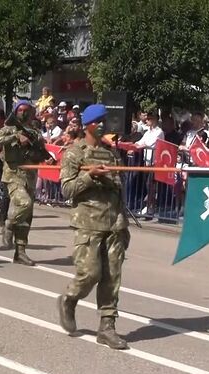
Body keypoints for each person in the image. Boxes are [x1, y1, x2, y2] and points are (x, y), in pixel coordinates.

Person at [58, 104, 130, 350]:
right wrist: (90, 176)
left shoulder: (110, 153)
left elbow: (119, 185)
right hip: (88, 222)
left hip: (114, 222)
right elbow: (67, 189)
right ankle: (70, 299)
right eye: (98, 121)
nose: (102, 125)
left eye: (104, 121)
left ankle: (107, 327)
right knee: (90, 273)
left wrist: (110, 178)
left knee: (112, 276)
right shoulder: (74, 153)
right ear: (88, 124)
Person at [0, 100, 49, 264]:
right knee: (24, 203)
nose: (24, 113)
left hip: (30, 176)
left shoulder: (36, 132)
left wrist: (43, 155)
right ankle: (9, 224)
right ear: (16, 112)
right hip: (13, 175)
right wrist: (16, 136)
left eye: (27, 110)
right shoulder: (8, 129)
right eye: (21, 110)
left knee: (27, 215)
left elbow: (40, 152)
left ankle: (20, 251)